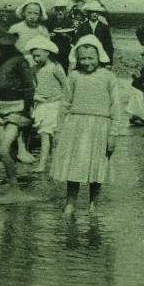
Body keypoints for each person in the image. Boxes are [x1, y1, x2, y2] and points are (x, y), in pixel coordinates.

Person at [50, 35, 122, 216]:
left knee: (97, 168)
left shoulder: (109, 77)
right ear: (77, 58)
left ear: (100, 57)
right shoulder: (73, 76)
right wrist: (58, 130)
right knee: (74, 167)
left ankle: (93, 206)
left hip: (101, 127)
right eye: (82, 58)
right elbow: (65, 104)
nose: (87, 62)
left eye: (91, 58)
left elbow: (116, 107)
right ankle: (70, 204)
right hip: (76, 126)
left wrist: (113, 134)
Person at [0, 24, 37, 194]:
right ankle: (14, 182)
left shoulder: (20, 61)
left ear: (2, 46)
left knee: (3, 150)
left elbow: (29, 88)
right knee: (6, 152)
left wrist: (26, 111)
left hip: (17, 108)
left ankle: (15, 188)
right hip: (1, 108)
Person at [25, 36, 66, 174]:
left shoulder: (55, 67)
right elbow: (32, 86)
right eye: (33, 56)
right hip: (41, 105)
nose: (36, 59)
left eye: (38, 55)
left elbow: (66, 88)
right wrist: (35, 96)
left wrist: (57, 98)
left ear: (47, 52)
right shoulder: (34, 69)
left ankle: (54, 163)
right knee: (44, 134)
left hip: (55, 105)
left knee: (54, 135)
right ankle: (44, 164)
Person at [73, 0, 114, 67]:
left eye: (96, 12)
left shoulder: (104, 27)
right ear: (89, 13)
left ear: (99, 13)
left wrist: (108, 63)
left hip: (101, 59)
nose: (95, 14)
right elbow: (76, 43)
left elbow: (109, 46)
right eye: (92, 12)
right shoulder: (82, 26)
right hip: (86, 59)